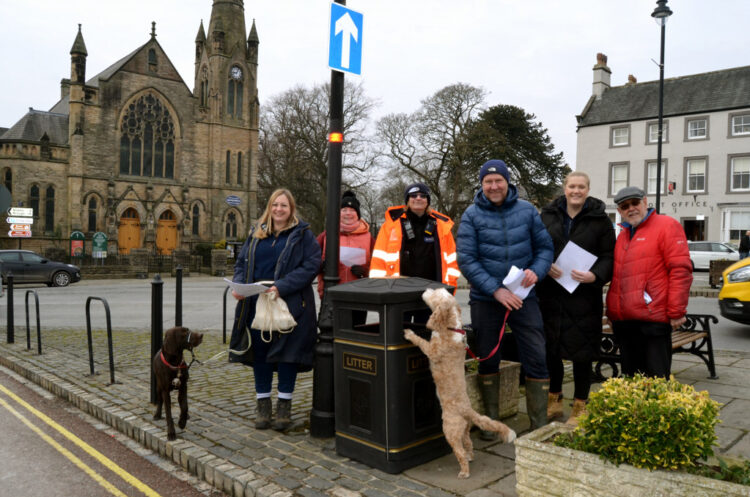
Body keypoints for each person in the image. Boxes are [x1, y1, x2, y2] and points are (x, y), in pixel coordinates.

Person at [457, 159, 554, 437]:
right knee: (488, 357)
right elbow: (467, 259)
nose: (494, 185)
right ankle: (491, 424)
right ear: (482, 185)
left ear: (508, 182)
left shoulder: (527, 211)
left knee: (536, 354)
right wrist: (495, 290)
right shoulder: (472, 215)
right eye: (488, 181)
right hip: (487, 298)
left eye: (498, 180)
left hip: (524, 296)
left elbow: (545, 248)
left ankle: (538, 425)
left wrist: (537, 270)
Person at [228, 188, 321, 431]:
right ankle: (263, 406)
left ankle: (284, 407)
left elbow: (311, 265)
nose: (279, 209)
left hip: (289, 303)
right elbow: (241, 263)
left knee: (287, 355)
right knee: (261, 354)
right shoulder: (256, 233)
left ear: (291, 209)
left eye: (284, 206)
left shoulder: (303, 235)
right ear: (269, 207)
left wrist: (282, 286)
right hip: (256, 302)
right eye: (275, 205)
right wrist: (239, 285)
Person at [537, 171, 615, 427]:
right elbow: (535, 246)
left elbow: (609, 256)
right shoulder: (547, 216)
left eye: (581, 187)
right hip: (551, 293)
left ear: (588, 189)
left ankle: (581, 404)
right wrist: (545, 265)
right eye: (572, 186)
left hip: (584, 296)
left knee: (583, 353)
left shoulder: (600, 220)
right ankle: (554, 398)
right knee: (552, 350)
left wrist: (595, 276)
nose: (576, 191)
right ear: (565, 188)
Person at [606, 186, 692, 378]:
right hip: (625, 320)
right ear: (619, 211)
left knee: (656, 380)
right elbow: (619, 277)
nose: (631, 208)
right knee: (631, 379)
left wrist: (677, 311)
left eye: (635, 203)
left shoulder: (667, 225)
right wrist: (612, 311)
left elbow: (680, 270)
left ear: (645, 202)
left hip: (653, 319)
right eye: (625, 206)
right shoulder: (623, 235)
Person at [369, 182, 460, 299]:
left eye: (423, 195)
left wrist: (449, 289)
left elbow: (452, 263)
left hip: (432, 292)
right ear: (407, 200)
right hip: (398, 292)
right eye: (413, 195)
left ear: (428, 201)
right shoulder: (390, 226)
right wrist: (380, 290)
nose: (418, 198)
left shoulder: (442, 226)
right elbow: (378, 261)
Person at [316, 190, 374, 326]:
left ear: (358, 214)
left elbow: (379, 267)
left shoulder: (369, 238)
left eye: (352, 210)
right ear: (338, 213)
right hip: (331, 297)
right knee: (332, 339)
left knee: (356, 337)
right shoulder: (325, 236)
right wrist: (322, 266)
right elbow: (310, 261)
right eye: (344, 209)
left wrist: (365, 271)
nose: (348, 213)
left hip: (360, 297)